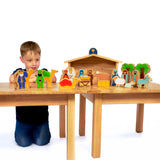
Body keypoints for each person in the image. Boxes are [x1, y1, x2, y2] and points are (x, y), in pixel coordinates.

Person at [9, 41, 56, 147]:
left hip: (41, 119)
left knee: (42, 142)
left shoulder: (43, 72)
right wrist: (29, 79)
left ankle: (38, 131)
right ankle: (25, 131)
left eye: (37, 60)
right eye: (29, 60)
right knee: (23, 143)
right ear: (22, 60)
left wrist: (39, 77)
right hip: (23, 119)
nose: (34, 63)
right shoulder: (19, 72)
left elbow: (53, 78)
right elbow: (12, 79)